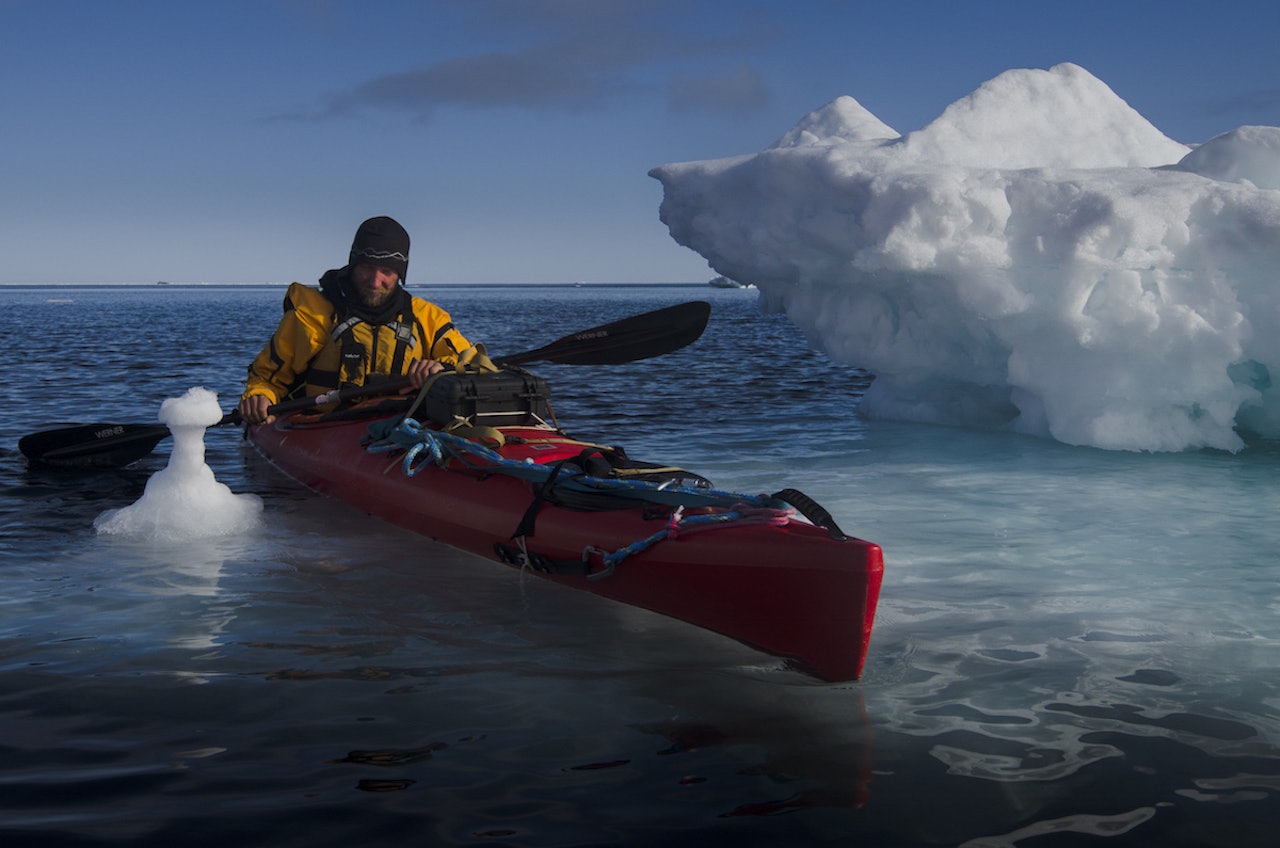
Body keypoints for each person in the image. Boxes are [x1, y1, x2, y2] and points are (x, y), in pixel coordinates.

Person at [238, 216, 471, 425]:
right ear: (353, 264)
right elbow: (266, 378)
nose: (375, 281)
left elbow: (471, 362)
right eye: (367, 268)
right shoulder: (311, 315)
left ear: (400, 274)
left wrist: (442, 368)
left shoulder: (427, 318)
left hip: (402, 424)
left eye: (386, 271)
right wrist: (260, 396)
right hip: (323, 427)